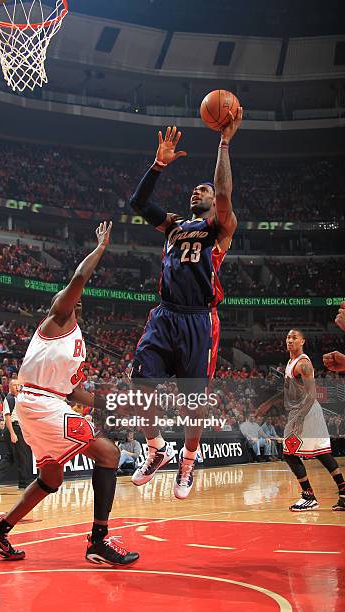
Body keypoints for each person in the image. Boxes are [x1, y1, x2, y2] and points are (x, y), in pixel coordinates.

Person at [0, 222, 139, 565]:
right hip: (40, 403)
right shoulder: (57, 318)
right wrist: (100, 248)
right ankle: (99, 541)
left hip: (42, 403)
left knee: (51, 477)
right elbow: (79, 279)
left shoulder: (76, 337)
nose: (73, 301)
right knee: (108, 454)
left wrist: (106, 402)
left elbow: (73, 391)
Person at [129, 112, 243, 499]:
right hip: (164, 314)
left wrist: (223, 144)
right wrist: (158, 165)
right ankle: (157, 448)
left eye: (203, 190)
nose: (197, 192)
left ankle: (188, 462)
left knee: (194, 405)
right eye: (194, 190)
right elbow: (138, 202)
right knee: (139, 383)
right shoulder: (174, 225)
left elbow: (225, 196)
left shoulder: (220, 228)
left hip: (199, 321)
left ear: (214, 201)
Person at [283, 329, 344, 511]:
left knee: (289, 453)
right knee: (322, 453)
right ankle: (343, 493)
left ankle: (308, 496)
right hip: (306, 411)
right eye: (288, 337)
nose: (290, 340)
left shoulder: (303, 364)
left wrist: (300, 418)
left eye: (294, 338)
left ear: (302, 341)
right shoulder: (290, 362)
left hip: (306, 411)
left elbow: (311, 394)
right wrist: (268, 404)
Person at [0, 380, 32, 490]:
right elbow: (7, 417)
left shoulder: (20, 398)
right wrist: (12, 433)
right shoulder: (9, 399)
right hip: (14, 428)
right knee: (23, 456)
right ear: (10, 387)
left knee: (13, 456)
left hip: (20, 428)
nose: (17, 387)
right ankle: (24, 484)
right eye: (14, 385)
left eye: (18, 385)